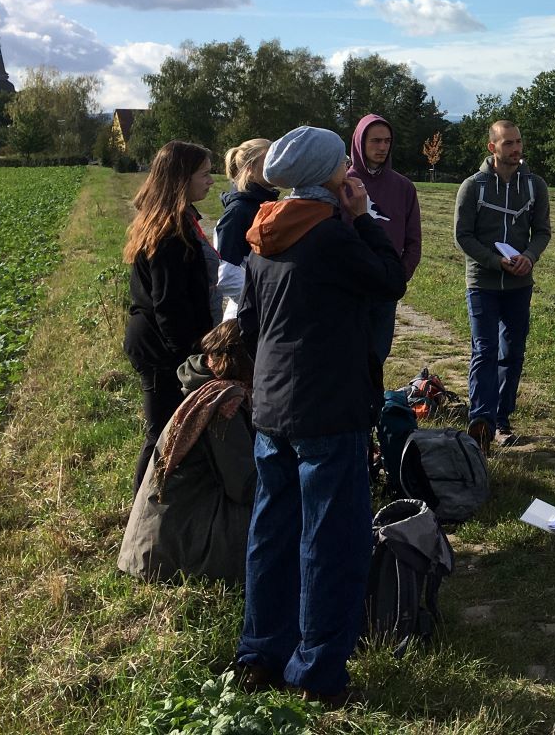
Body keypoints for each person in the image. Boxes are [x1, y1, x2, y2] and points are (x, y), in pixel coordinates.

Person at [231, 126, 409, 705]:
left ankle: (260, 652)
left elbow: (252, 325)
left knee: (271, 531)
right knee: (329, 540)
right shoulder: (330, 235)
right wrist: (361, 219)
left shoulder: (263, 233)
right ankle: (317, 670)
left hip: (272, 406)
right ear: (327, 174)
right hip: (329, 408)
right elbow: (389, 281)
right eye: (341, 166)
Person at [118, 318, 256, 583]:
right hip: (172, 547)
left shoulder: (206, 384)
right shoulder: (224, 403)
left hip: (161, 535)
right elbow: (244, 484)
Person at [123, 141, 218, 492]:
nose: (210, 181)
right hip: (162, 349)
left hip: (160, 342)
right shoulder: (170, 233)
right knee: (161, 431)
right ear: (181, 179)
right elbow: (168, 305)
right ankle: (141, 512)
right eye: (204, 174)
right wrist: (189, 358)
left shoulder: (174, 220)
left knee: (169, 427)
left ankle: (166, 499)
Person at [453, 120, 551, 452]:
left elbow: (542, 231)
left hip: (519, 283)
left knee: (513, 351)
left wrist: (529, 256)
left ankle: (501, 421)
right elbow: (462, 236)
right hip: (483, 282)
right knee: (485, 350)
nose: (516, 149)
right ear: (492, 147)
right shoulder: (473, 187)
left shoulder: (535, 186)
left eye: (519, 142)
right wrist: (496, 262)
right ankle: (480, 422)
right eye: (508, 143)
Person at [348, 113, 423, 404]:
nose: (382, 147)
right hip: (350, 291)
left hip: (385, 291)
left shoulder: (403, 187)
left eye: (387, 141)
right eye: (375, 140)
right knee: (347, 360)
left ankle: (369, 424)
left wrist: (398, 276)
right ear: (360, 142)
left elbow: (413, 241)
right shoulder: (344, 184)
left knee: (376, 359)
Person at [216, 138, 276, 319]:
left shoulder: (265, 202)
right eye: (269, 160)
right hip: (248, 316)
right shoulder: (237, 212)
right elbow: (225, 275)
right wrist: (268, 297)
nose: (277, 164)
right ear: (249, 169)